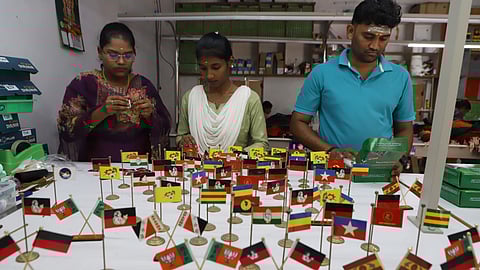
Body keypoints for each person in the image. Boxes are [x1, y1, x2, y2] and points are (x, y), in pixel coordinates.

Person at [290, 0, 414, 177]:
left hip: (378, 173)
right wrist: (330, 150)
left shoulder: (400, 77)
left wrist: (399, 158)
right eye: (368, 37)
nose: (375, 46)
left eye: (383, 39)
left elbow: (404, 128)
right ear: (350, 31)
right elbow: (298, 122)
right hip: (332, 172)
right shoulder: (322, 74)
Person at [57, 22, 171, 162]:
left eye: (128, 55)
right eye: (113, 55)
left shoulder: (144, 86)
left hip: (138, 169)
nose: (121, 61)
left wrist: (149, 116)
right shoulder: (84, 84)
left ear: (134, 54)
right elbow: (67, 131)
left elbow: (165, 127)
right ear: (100, 52)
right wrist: (102, 111)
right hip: (94, 169)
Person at [176, 32, 269, 154]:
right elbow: (180, 137)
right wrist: (183, 140)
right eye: (203, 69)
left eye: (216, 67)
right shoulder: (190, 98)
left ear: (230, 62)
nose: (209, 75)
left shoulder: (249, 99)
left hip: (235, 170)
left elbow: (262, 144)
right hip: (197, 171)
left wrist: (233, 156)